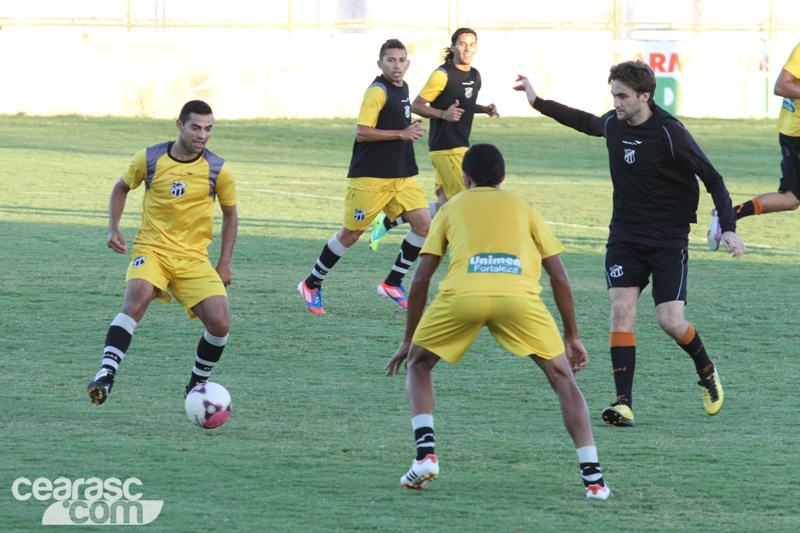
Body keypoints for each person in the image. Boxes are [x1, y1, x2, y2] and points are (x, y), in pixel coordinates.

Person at [514, 61, 745, 427]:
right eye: (613, 96)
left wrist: (729, 227)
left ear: (644, 96)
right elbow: (583, 121)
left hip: (668, 240)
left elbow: (712, 178)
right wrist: (537, 101)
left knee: (670, 320)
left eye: (622, 97)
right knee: (621, 310)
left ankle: (706, 369)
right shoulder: (613, 124)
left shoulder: (671, 133)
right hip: (624, 236)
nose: (616, 103)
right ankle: (623, 402)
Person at [385, 144, 611, 499]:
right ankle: (594, 481)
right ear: (503, 178)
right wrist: (573, 335)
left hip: (462, 297)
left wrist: (408, 339)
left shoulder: (450, 207)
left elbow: (420, 279)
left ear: (465, 177)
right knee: (563, 378)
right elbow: (559, 277)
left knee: (418, 363)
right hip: (518, 299)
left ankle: (426, 453)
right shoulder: (526, 208)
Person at [87, 100, 238, 405]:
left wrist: (224, 263)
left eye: (208, 129)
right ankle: (105, 374)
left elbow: (231, 214)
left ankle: (197, 385)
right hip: (152, 249)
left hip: (193, 258)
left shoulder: (218, 169)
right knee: (136, 299)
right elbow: (121, 187)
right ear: (179, 124)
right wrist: (113, 228)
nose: (202, 135)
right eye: (196, 127)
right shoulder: (150, 158)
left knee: (220, 323)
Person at [297, 39, 430, 314]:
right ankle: (311, 284)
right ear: (380, 64)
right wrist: (402, 133)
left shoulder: (403, 87)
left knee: (424, 226)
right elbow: (362, 132)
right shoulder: (377, 91)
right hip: (371, 178)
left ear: (408, 63)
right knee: (351, 235)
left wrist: (408, 129)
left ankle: (392, 282)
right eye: (391, 60)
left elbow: (393, 125)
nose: (397, 65)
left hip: (402, 176)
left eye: (401, 59)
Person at [368, 28, 499, 252]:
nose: (467, 48)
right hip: (447, 147)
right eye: (462, 44)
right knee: (470, 200)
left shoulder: (475, 75)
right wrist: (442, 115)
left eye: (471, 44)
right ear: (454, 46)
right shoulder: (442, 74)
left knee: (444, 204)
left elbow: (463, 104)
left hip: (458, 144)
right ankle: (471, 250)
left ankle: (389, 220)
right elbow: (417, 104)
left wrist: (484, 109)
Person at [708, 42, 800, 248]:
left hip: (791, 131)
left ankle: (729, 215)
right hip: (797, 133)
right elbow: (781, 86)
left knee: (791, 199)